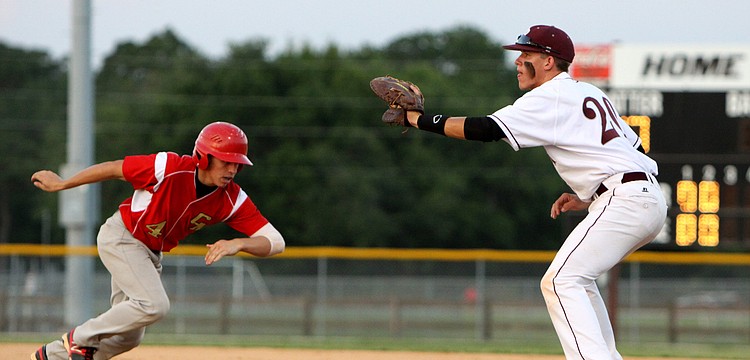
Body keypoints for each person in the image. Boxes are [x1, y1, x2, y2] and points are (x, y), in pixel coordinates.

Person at [390, 25, 667, 359]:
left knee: (560, 281)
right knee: (579, 279)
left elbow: (486, 129)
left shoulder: (549, 96)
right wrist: (590, 195)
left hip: (625, 200)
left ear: (549, 61)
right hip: (644, 197)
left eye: (526, 54)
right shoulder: (590, 93)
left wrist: (419, 120)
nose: (518, 62)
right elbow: (631, 149)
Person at [30, 121, 285, 360]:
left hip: (150, 254)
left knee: (129, 337)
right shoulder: (169, 167)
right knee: (154, 305)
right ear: (204, 157)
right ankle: (76, 339)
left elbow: (275, 241)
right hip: (123, 237)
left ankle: (52, 356)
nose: (233, 169)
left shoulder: (231, 198)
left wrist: (239, 243)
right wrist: (63, 184)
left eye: (238, 164)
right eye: (227, 161)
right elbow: (114, 169)